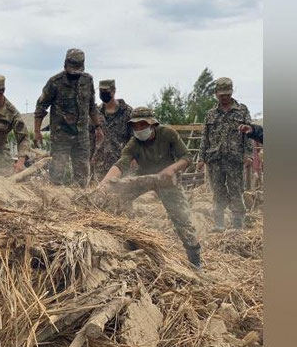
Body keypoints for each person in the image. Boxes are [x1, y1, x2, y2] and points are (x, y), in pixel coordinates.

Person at [100, 107, 202, 270]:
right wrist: (104, 183)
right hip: (144, 178)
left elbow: (187, 157)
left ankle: (195, 259)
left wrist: (172, 169)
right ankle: (129, 241)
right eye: (135, 126)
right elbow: (121, 163)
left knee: (182, 218)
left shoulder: (168, 134)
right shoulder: (133, 144)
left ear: (152, 124)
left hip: (166, 179)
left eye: (143, 125)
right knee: (117, 198)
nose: (139, 129)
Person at [34, 49, 104, 187]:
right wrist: (37, 132)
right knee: (57, 174)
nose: (74, 74)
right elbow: (41, 107)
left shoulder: (87, 80)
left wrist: (98, 127)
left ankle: (79, 202)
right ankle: (55, 200)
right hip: (61, 137)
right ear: (65, 64)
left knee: (82, 175)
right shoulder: (55, 82)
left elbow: (91, 106)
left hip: (81, 137)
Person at [197, 77, 253, 231]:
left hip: (235, 158)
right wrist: (201, 158)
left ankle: (237, 224)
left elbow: (248, 134)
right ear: (216, 94)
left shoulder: (242, 110)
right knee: (218, 191)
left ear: (232, 92)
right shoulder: (210, 114)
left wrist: (248, 155)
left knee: (236, 190)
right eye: (221, 95)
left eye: (227, 94)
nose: (225, 97)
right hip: (215, 158)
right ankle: (219, 223)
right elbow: (205, 137)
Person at [91, 79, 133, 180]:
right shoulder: (95, 114)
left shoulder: (127, 112)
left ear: (113, 91)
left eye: (106, 92)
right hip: (100, 165)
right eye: (101, 92)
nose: (103, 94)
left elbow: (134, 138)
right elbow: (90, 137)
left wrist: (133, 157)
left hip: (121, 165)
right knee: (100, 193)